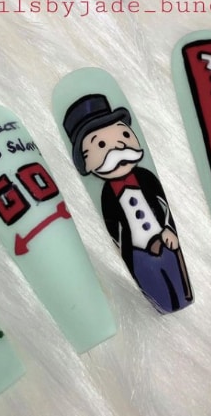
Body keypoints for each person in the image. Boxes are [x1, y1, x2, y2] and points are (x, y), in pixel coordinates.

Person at [63, 94, 193, 313]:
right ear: (85, 162)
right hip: (138, 255)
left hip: (167, 243)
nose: (117, 147)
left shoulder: (146, 177)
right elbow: (113, 228)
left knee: (178, 286)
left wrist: (169, 229)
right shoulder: (106, 195)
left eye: (124, 134)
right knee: (158, 291)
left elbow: (162, 205)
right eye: (101, 145)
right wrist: (127, 252)